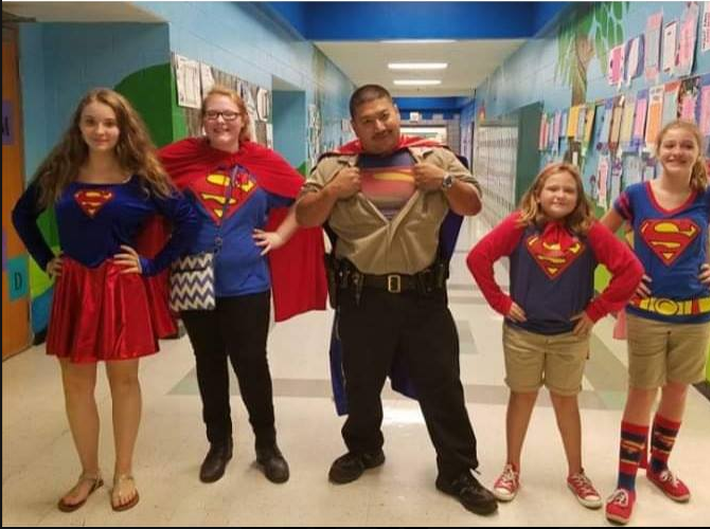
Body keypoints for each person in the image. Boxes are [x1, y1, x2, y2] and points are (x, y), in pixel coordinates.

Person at [295, 84, 497, 515]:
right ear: (355, 126)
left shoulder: (434, 159)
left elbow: (472, 204)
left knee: (443, 384)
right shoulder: (334, 166)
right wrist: (332, 192)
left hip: (423, 299)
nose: (379, 126)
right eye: (367, 121)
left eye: (384, 115)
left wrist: (443, 181)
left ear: (397, 112)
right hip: (361, 298)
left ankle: (457, 469)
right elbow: (305, 215)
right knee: (362, 383)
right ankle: (365, 449)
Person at [11, 88, 199, 512]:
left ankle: (124, 471)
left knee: (123, 381)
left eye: (109, 123)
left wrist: (152, 265)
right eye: (91, 122)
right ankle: (88, 473)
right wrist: (46, 259)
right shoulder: (59, 172)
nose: (100, 130)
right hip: (75, 286)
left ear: (123, 127)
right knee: (76, 385)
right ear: (79, 127)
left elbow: (187, 220)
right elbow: (21, 215)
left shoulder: (143, 175)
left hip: (120, 286)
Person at [158, 87, 327, 485]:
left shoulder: (262, 162)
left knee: (252, 364)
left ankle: (267, 446)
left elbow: (307, 198)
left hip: (248, 283)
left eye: (229, 114)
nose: (220, 121)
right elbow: (141, 183)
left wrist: (282, 236)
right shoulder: (181, 159)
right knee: (208, 364)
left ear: (243, 120)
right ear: (203, 119)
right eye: (213, 114)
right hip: (194, 281)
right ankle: (219, 444)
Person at [599, 120, 710, 524]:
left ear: (698, 153)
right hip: (647, 314)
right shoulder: (635, 196)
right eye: (670, 144)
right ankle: (625, 482)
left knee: (677, 392)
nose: (678, 152)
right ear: (657, 149)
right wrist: (627, 276)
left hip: (696, 314)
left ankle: (659, 466)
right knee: (641, 392)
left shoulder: (709, 198)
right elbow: (601, 237)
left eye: (687, 145)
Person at [465, 163, 643, 508]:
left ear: (579, 198)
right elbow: (478, 257)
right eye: (552, 189)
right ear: (537, 193)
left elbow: (631, 270)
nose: (560, 195)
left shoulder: (589, 231)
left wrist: (596, 310)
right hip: (523, 334)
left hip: (569, 335)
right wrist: (501, 301)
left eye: (569, 190)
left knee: (566, 400)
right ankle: (511, 467)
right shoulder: (519, 225)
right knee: (522, 397)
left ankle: (576, 472)